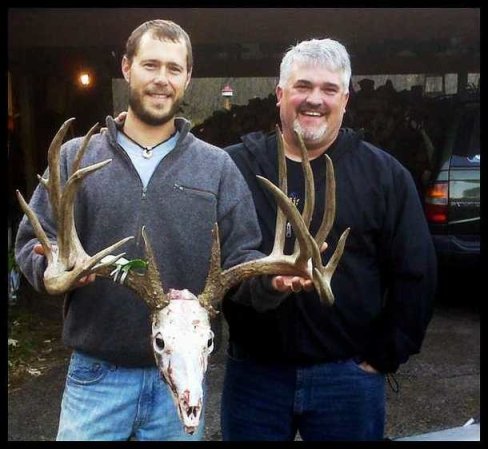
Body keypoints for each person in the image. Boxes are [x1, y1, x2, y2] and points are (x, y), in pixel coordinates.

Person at [15, 19, 296, 441]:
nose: (161, 79)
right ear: (127, 68)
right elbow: (32, 241)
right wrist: (50, 264)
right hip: (97, 376)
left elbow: (243, 259)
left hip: (183, 378)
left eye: (173, 68)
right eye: (150, 65)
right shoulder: (76, 156)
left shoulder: (217, 167)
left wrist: (271, 280)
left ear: (187, 78)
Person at [221, 38, 437, 441]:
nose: (314, 99)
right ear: (280, 93)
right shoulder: (233, 167)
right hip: (255, 376)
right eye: (302, 86)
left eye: (329, 89)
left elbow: (416, 270)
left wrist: (385, 355)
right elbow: (210, 258)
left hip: (347, 377)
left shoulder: (383, 175)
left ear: (346, 99)